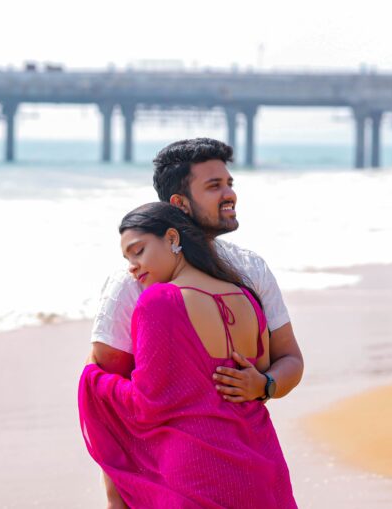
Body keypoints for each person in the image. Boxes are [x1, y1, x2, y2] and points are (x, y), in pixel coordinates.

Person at [89, 138, 304, 506]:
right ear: (179, 204)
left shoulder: (250, 270)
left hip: (242, 461)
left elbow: (291, 361)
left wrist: (264, 385)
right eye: (214, 186)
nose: (229, 194)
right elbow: (116, 422)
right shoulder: (132, 285)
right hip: (184, 476)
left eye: (229, 183)